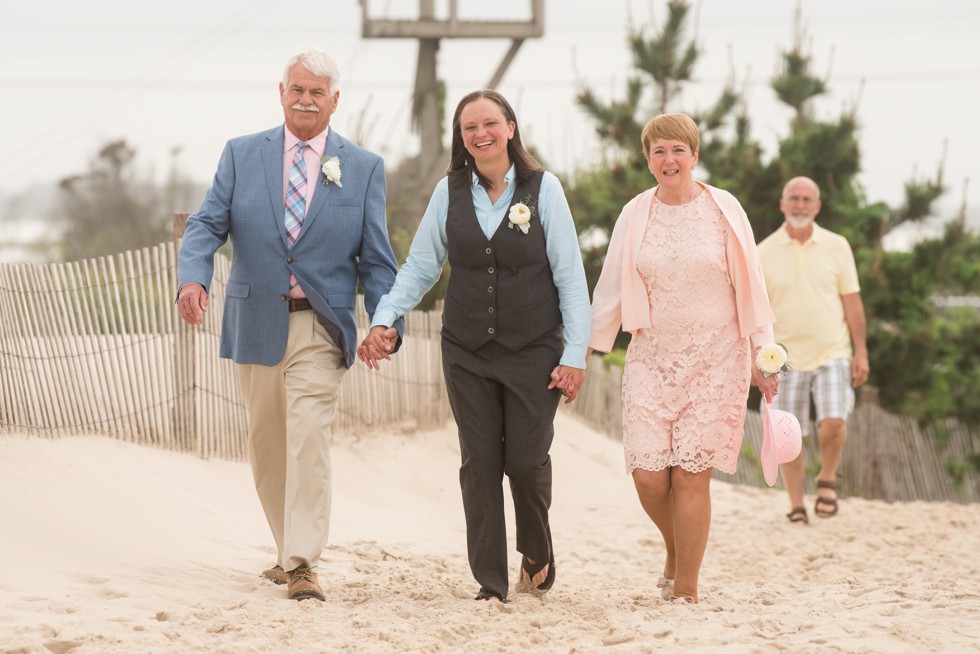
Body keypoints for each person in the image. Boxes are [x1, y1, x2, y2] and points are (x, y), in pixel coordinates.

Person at [176, 47, 403, 602]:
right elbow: (207, 223)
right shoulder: (241, 153)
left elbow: (376, 259)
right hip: (254, 318)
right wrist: (194, 278)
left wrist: (385, 320)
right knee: (268, 444)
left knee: (309, 439)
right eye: (297, 89)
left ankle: (303, 562)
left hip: (321, 327)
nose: (306, 100)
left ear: (334, 100)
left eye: (317, 92)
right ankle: (285, 551)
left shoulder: (364, 168)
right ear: (281, 93)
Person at [358, 90, 591, 603]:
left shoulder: (543, 189)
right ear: (461, 138)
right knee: (479, 461)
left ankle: (535, 549)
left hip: (534, 349)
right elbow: (420, 266)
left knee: (526, 462)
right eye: (469, 127)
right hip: (465, 349)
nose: (480, 134)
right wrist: (385, 319)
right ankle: (491, 583)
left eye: (489, 123)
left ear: (510, 127)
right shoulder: (449, 191)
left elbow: (571, 277)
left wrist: (575, 354)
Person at [589, 113, 779, 605]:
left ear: (694, 155)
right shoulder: (635, 213)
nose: (668, 159)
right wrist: (582, 348)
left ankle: (686, 590)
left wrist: (765, 352)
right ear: (648, 160)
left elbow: (751, 284)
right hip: (651, 358)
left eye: (678, 150)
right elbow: (611, 286)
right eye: (658, 151)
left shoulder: (724, 208)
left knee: (691, 476)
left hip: (717, 357)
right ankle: (676, 548)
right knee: (649, 477)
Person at [758, 176, 869, 523]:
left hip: (832, 352)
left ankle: (826, 479)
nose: (800, 204)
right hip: (783, 360)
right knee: (787, 437)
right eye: (794, 198)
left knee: (834, 421)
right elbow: (756, 313)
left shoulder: (838, 246)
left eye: (807, 199)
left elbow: (852, 303)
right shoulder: (762, 252)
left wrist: (860, 351)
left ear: (817, 206)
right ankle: (795, 504)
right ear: (782, 203)